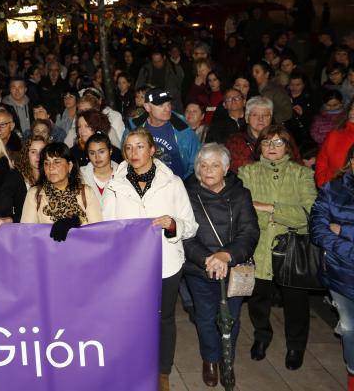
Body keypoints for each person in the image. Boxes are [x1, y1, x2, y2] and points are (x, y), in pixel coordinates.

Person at [102, 127, 198, 390]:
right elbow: (106, 226)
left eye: (140, 146)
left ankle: (162, 370)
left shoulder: (173, 182)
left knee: (164, 317)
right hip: (128, 267)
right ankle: (133, 364)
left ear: (152, 149)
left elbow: (190, 225)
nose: (134, 153)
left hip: (166, 262)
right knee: (130, 316)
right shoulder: (115, 184)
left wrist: (172, 224)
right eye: (129, 148)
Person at [237, 125, 316, 370]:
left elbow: (309, 213)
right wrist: (273, 214)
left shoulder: (301, 174)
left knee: (296, 302)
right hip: (258, 247)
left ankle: (295, 345)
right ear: (259, 146)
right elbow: (243, 210)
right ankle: (262, 336)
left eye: (278, 142)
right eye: (267, 142)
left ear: (288, 147)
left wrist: (271, 209)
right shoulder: (246, 172)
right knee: (258, 299)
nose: (272, 148)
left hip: (292, 249)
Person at [182, 143, 259, 387]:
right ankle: (211, 360)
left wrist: (226, 255)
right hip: (200, 267)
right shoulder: (186, 194)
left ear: (226, 168)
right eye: (203, 165)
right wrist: (207, 259)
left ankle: (228, 360)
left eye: (215, 165)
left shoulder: (240, 194)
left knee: (230, 319)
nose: (208, 170)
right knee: (205, 317)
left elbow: (249, 232)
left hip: (232, 267)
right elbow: (184, 235)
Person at [310, 143, 354, 390]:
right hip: (342, 272)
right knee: (350, 328)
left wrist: (344, 231)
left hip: (342, 254)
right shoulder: (333, 189)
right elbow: (318, 228)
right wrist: (348, 249)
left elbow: (333, 229)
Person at [20, 142, 102, 239]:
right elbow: (26, 234)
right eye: (47, 163)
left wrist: (75, 222)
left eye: (57, 162)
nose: (51, 167)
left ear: (70, 166)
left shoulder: (85, 192)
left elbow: (98, 232)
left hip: (82, 251)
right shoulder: (35, 194)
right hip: (48, 252)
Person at [127, 88, 200, 179]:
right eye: (161, 105)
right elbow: (127, 156)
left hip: (175, 186)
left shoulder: (183, 129)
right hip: (143, 184)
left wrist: (185, 183)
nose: (167, 109)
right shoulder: (133, 128)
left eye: (168, 104)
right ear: (147, 107)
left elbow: (196, 161)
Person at [316, 98, 354, 187]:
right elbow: (322, 159)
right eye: (352, 108)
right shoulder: (335, 134)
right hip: (332, 191)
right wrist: (322, 182)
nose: (352, 112)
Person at [80, 132, 117, 206]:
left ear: (110, 151)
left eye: (101, 152)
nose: (97, 157)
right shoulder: (81, 176)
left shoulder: (122, 174)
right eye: (92, 153)